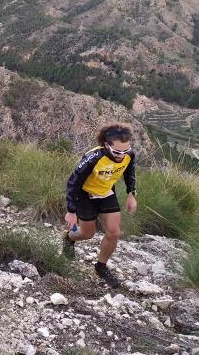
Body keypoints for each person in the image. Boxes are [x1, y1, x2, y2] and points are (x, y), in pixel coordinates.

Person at [62, 123, 137, 288]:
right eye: (117, 152)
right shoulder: (93, 158)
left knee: (114, 232)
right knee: (86, 233)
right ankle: (69, 237)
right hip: (85, 194)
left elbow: (129, 172)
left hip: (106, 193)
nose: (121, 155)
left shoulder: (128, 155)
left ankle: (101, 267)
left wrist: (131, 194)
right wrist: (71, 211)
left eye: (125, 151)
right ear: (106, 145)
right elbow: (73, 183)